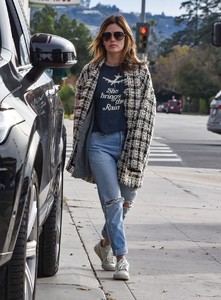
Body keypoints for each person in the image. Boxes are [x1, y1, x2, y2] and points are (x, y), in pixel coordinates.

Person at [66, 15, 156, 281]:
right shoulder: (91, 71)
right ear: (101, 40)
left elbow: (148, 114)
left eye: (118, 35)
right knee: (113, 201)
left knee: (126, 201)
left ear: (127, 39)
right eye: (107, 35)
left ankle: (104, 244)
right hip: (99, 143)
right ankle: (122, 259)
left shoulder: (140, 71)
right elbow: (80, 113)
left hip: (130, 142)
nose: (112, 40)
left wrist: (137, 149)